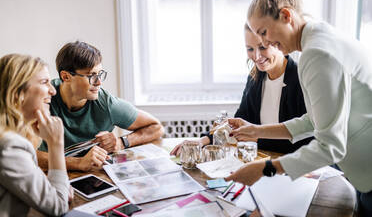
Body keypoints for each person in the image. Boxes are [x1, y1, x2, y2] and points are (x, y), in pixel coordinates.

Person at [225, 0, 372, 216]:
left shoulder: (317, 54)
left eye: (263, 32)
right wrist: (257, 130)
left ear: (285, 16)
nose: (265, 42)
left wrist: (266, 168)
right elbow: (313, 119)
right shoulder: (318, 38)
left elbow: (330, 147)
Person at [171, 23, 312, 156]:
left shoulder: (302, 79)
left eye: (262, 47)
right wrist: (202, 141)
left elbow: (304, 138)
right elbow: (240, 122)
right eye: (250, 49)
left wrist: (255, 136)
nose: (256, 57)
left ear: (280, 44)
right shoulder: (255, 78)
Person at [38, 41, 164, 172]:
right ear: (66, 76)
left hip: (95, 176)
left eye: (100, 74)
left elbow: (156, 128)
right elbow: (28, 154)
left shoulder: (107, 104)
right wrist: (78, 163)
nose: (99, 82)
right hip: (50, 174)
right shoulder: (44, 99)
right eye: (91, 76)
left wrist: (122, 142)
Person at [0, 54, 71, 216]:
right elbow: (58, 206)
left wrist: (56, 184)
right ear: (17, 92)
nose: (53, 91)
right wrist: (56, 145)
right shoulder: (9, 146)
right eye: (44, 82)